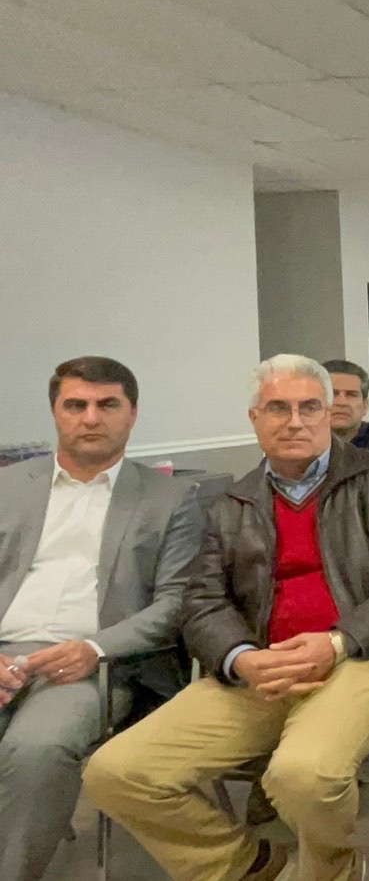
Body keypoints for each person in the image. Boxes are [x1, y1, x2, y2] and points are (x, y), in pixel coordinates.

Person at [85, 354, 369, 881]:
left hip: (362, 663)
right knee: (116, 772)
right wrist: (240, 657)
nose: (294, 421)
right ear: (255, 418)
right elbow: (202, 599)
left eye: (309, 407)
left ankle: (332, 871)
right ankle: (247, 866)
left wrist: (338, 640)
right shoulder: (231, 502)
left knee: (303, 775)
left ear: (329, 413)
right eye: (278, 408)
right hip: (260, 671)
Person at [0, 357, 203, 881]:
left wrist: (93, 648)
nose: (90, 418)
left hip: (94, 665)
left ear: (131, 414)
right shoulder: (9, 487)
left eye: (107, 405)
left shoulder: (170, 498)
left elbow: (177, 602)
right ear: (55, 412)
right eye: (76, 405)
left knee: (37, 748)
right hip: (4, 650)